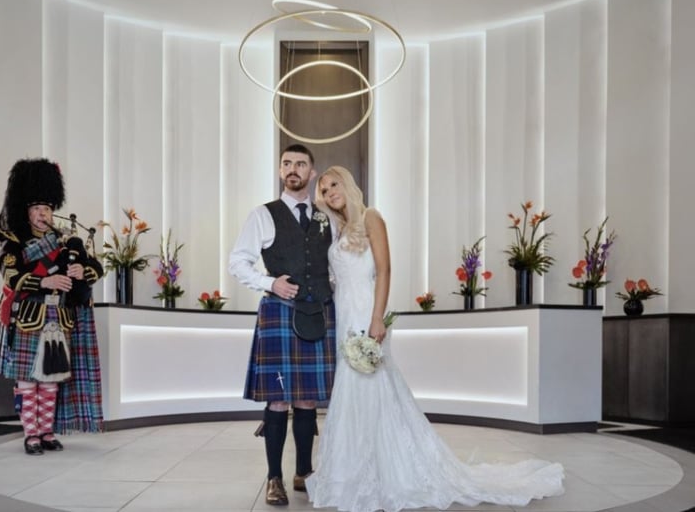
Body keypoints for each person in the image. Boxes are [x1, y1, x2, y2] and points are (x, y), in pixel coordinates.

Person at [305, 166, 565, 512]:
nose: (329, 192)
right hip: (344, 316)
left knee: (373, 387)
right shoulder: (335, 230)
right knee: (352, 391)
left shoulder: (371, 217)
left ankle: (387, 473)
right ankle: (352, 473)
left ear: (348, 184)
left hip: (367, 313)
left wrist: (377, 318)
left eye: (334, 184)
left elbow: (384, 270)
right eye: (323, 190)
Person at [228, 144, 336, 506]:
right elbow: (237, 262)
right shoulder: (263, 214)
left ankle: (303, 472)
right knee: (278, 399)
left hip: (318, 313)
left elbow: (336, 264)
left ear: (312, 173)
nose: (293, 169)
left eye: (301, 164)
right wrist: (269, 282)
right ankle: (274, 478)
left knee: (307, 399)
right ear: (280, 171)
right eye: (287, 163)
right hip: (279, 312)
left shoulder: (327, 217)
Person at [0, 158, 104, 455]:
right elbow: (11, 277)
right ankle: (31, 434)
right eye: (37, 209)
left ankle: (47, 432)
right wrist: (45, 282)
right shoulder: (14, 243)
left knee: (51, 380)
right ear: (25, 212)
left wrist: (82, 271)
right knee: (28, 381)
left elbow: (96, 268)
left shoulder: (66, 241)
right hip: (29, 319)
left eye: (47, 209)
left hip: (59, 318)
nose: (43, 214)